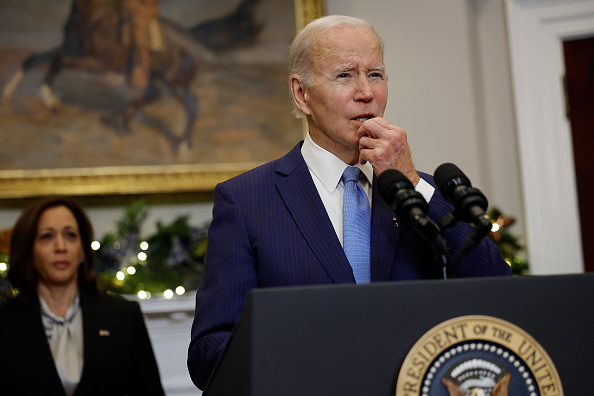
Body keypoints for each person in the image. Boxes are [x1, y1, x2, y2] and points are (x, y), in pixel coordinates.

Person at [187, 15, 512, 390]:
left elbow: (498, 288)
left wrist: (410, 180)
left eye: (375, 74)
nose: (366, 93)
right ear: (301, 94)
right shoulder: (246, 200)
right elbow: (208, 353)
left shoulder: (421, 193)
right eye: (344, 75)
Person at [0, 196, 165, 396]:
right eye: (46, 236)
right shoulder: (5, 323)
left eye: (70, 235)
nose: (61, 247)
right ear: (29, 249)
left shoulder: (124, 316)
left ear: (83, 249)